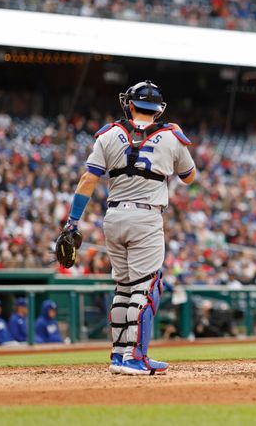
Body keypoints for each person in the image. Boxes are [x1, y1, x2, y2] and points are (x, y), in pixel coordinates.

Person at [56, 80, 196, 375]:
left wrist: (72, 222)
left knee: (123, 287)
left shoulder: (108, 134)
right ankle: (135, 357)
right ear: (158, 110)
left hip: (114, 217)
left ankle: (119, 355)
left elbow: (87, 181)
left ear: (129, 104)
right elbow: (189, 176)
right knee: (146, 287)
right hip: (145, 217)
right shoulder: (172, 135)